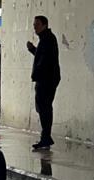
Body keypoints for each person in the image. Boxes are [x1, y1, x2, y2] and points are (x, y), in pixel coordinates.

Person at [27, 15, 61, 150]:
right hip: (46, 78)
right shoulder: (46, 39)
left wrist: (37, 74)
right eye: (34, 24)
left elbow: (45, 61)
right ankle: (45, 137)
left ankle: (46, 137)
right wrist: (32, 49)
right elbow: (42, 56)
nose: (34, 27)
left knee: (44, 108)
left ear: (44, 25)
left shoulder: (47, 39)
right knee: (43, 107)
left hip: (46, 79)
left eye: (37, 24)